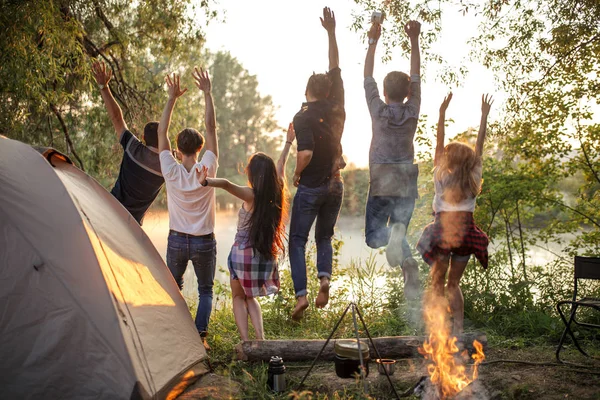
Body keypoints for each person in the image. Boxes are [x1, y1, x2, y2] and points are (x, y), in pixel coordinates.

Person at [196, 124, 294, 340]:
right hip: (265, 256)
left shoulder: (251, 195)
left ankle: (247, 343)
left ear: (254, 173)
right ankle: (261, 340)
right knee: (252, 298)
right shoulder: (277, 192)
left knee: (239, 298)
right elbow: (281, 164)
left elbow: (227, 184)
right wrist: (288, 142)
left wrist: (206, 182)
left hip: (243, 255)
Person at [417, 93, 493, 335]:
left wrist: (441, 113)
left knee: (437, 283)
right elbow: (479, 147)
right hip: (465, 233)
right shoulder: (473, 177)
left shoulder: (441, 174)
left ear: (448, 159)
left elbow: (439, 143)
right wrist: (484, 116)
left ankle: (439, 329)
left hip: (442, 231)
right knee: (453, 284)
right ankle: (458, 330)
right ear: (471, 161)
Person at [289, 7, 346, 321]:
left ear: (306, 92)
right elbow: (335, 66)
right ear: (327, 90)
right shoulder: (338, 105)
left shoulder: (302, 115)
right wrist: (331, 32)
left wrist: (297, 174)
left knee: (297, 240)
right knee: (324, 237)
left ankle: (301, 296)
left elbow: (306, 153)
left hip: (312, 185)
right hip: (336, 183)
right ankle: (325, 279)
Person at [156, 69, 219, 349]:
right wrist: (207, 93)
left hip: (177, 240)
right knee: (206, 291)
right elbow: (212, 128)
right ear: (200, 148)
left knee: (173, 287)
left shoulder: (170, 170)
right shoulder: (208, 168)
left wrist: (171, 99)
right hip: (204, 241)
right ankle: (199, 337)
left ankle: (177, 333)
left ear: (178, 149)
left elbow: (161, 131)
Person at [363, 21, 422, 300]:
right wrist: (414, 39)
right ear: (408, 93)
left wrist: (373, 41)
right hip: (407, 182)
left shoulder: (378, 110)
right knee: (398, 239)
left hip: (382, 179)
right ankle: (409, 266)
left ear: (385, 94)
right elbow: (416, 75)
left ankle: (397, 240)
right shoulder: (413, 109)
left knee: (374, 237)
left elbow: (367, 76)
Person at [91, 61, 164, 225]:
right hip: (132, 226)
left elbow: (117, 118)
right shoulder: (166, 167)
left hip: (110, 210)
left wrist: (104, 87)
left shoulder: (134, 149)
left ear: (144, 139)